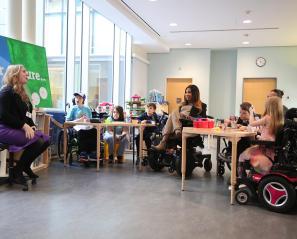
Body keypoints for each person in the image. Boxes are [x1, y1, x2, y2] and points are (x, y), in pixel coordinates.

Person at [0, 65, 50, 184]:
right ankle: (18, 170)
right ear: (15, 74)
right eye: (24, 72)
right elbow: (4, 116)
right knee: (38, 141)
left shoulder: (22, 93)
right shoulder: (5, 92)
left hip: (16, 128)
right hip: (4, 129)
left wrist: (31, 124)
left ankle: (24, 166)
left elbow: (27, 114)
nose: (27, 74)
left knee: (46, 140)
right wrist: (24, 126)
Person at [238, 96, 284, 177]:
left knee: (241, 156)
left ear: (269, 106)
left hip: (263, 147)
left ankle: (242, 178)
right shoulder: (279, 119)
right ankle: (251, 174)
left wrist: (251, 112)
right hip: (271, 148)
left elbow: (251, 123)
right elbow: (267, 132)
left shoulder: (267, 118)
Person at [153, 84, 207, 151]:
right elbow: (176, 117)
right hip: (179, 125)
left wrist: (189, 117)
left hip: (190, 127)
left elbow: (203, 120)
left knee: (173, 113)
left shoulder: (202, 106)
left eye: (189, 92)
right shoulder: (182, 105)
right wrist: (181, 116)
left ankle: (164, 142)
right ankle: (177, 132)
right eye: (186, 92)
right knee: (173, 113)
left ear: (195, 93)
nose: (187, 94)